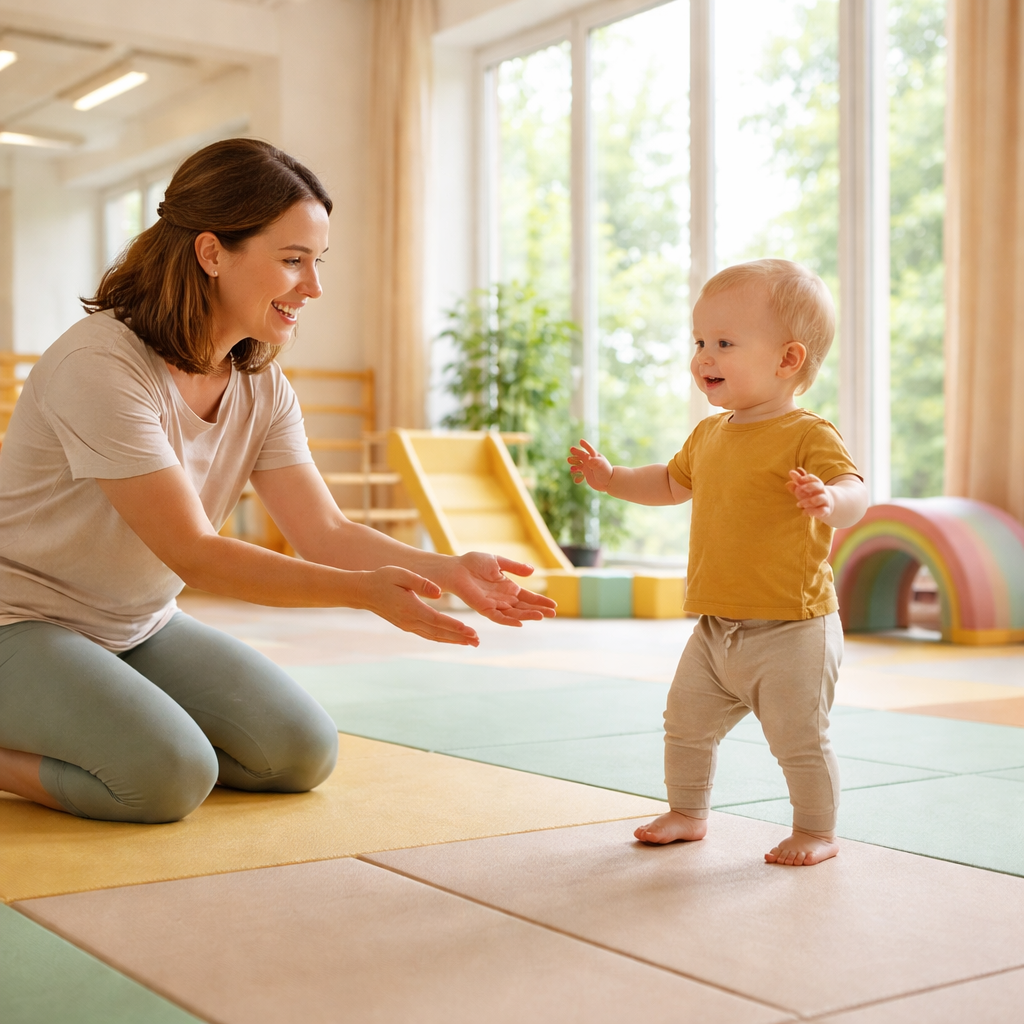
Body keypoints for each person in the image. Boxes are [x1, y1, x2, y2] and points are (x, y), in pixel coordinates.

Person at [0, 138, 554, 824]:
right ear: (211, 253)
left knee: (297, 753)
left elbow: (323, 530)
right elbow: (196, 554)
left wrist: (444, 567)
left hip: (135, 624)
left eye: (316, 262)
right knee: (165, 777)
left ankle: (108, 717)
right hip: (18, 621)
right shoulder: (101, 366)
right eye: (293, 261)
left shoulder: (260, 385)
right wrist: (361, 594)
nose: (313, 287)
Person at [568, 259, 868, 866]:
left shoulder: (808, 434)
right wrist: (611, 478)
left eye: (724, 343)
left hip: (793, 630)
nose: (703, 355)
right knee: (684, 723)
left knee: (799, 740)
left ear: (787, 360)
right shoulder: (709, 435)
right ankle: (687, 812)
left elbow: (855, 493)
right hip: (715, 629)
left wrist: (830, 499)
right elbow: (669, 483)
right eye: (700, 341)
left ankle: (816, 830)